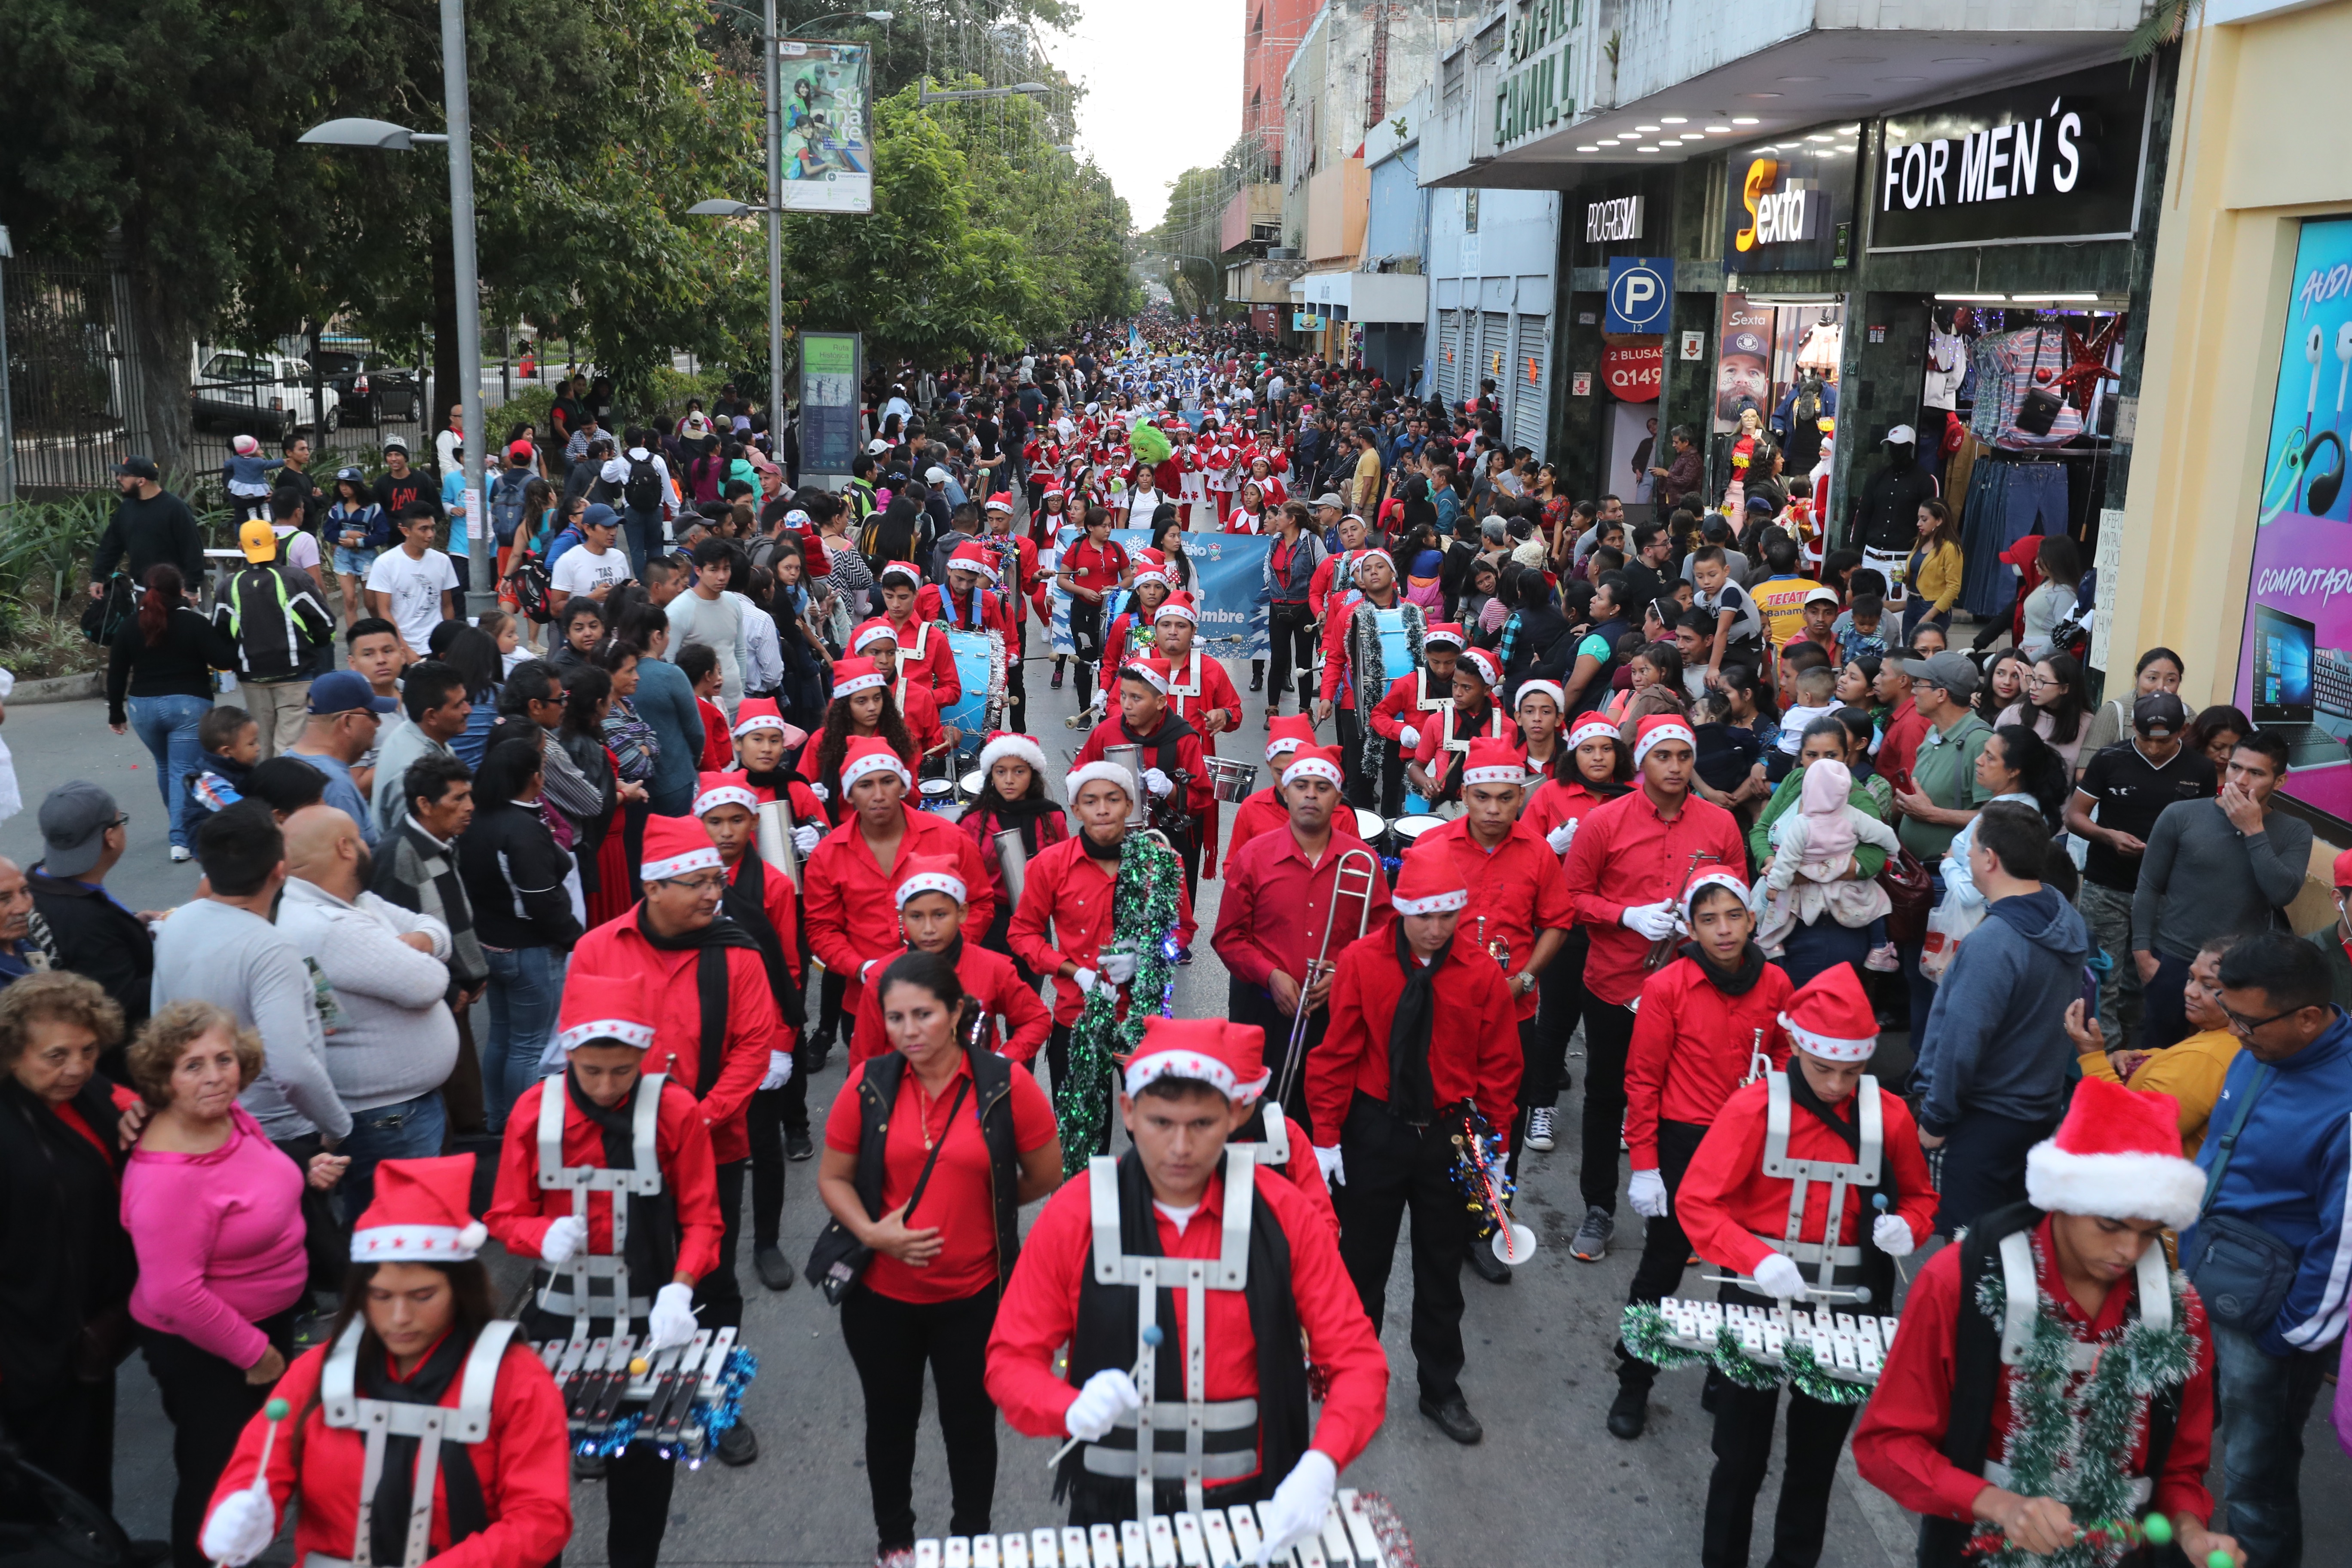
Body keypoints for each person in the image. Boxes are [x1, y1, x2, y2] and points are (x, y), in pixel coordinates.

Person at [983, 1015, 1387, 1543]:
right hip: (1110, 1507)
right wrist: (1068, 1406)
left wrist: (1322, 1464)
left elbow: (1358, 1361)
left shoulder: (1286, 1214)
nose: (1180, 1148)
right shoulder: (1076, 1213)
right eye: (1161, 1122)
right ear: (1128, 1111)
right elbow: (1010, 1360)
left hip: (1251, 1503)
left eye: (1201, 1124)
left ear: (1235, 1114)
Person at [1852, 1077, 2237, 1568]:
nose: (2128, 1251)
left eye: (2150, 1233)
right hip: (1981, 1552)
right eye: (2110, 1224)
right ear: (2061, 1198)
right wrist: (2002, 1507)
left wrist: (2191, 1532)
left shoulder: (2180, 1310)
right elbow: (1888, 1445)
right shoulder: (1958, 1282)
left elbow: (2180, 1468)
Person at [1657, 966, 1937, 1567]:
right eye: (1822, 1068)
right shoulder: (1753, 1108)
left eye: (1851, 1072)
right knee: (1739, 1456)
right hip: (1757, 1298)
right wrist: (1756, 1258)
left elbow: (1920, 1198)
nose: (1837, 1085)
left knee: (1815, 1464)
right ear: (1799, 1050)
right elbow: (1697, 1202)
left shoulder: (1890, 1116)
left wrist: (1906, 1228)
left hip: (1849, 1309)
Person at [193, 1156, 573, 1568]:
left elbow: (541, 1517)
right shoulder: (316, 1370)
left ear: (462, 1290)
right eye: (381, 1296)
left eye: (423, 1296)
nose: (399, 1318)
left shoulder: (517, 1378)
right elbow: (260, 1462)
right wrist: (238, 1510)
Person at [819, 950, 1064, 1558]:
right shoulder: (868, 1083)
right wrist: (873, 1233)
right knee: (890, 1422)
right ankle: (895, 1541)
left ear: (956, 1012)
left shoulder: (1005, 1084)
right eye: (895, 1018)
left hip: (974, 1299)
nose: (909, 1031)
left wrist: (986, 1198)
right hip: (881, 1300)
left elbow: (1045, 1172)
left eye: (923, 1015)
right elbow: (834, 1178)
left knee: (970, 1427)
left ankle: (970, 1543)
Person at [564, 812, 787, 1467]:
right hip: (612, 1152)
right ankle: (607, 1412)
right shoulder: (598, 949)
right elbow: (579, 1048)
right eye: (698, 884)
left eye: (717, 881)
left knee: (711, 1279)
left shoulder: (737, 952)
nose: (714, 894)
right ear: (654, 887)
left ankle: (710, 1401)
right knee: (614, 1283)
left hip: (712, 1149)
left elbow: (752, 1049)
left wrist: (694, 1124)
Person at [484, 975, 722, 1568]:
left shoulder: (675, 1109)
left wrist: (681, 1288)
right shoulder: (534, 1111)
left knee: (644, 1476)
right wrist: (540, 1235)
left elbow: (703, 1217)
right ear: (569, 1052)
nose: (607, 1086)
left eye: (623, 1071)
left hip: (648, 1319)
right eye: (592, 1071)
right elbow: (504, 1215)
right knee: (532, 1482)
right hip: (557, 1321)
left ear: (644, 1055)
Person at [1305, 851, 1517, 1444]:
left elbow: (1501, 1066)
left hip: (1448, 1134)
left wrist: (1496, 1149)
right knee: (1361, 1265)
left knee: (1441, 1269)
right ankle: (1352, 1378)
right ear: (1401, 911)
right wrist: (1326, 1136)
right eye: (1424, 916)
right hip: (1375, 1129)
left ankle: (1440, 1388)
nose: (1437, 928)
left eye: (1448, 915)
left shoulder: (1481, 974)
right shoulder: (1361, 961)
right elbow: (1336, 1054)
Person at [124, 1000, 345, 1568]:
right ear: (163, 1079)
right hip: (210, 1346)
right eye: (192, 1065)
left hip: (266, 1323)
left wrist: (301, 1172)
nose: (215, 1076)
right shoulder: (166, 1178)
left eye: (224, 1059)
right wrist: (256, 1355)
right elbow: (174, 1293)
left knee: (253, 1463)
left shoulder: (230, 1116)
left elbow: (249, 1173)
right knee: (216, 1477)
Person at [2178, 933, 2352, 1565]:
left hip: (2271, 1326)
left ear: (2308, 1017)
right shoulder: (2258, 1048)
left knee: (2257, 1479)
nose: (2235, 1032)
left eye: (2248, 1022)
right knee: (2176, 1440)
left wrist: (2289, 1338)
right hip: (2202, 1286)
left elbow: (2344, 1246)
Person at [1605, 871, 1796, 1439]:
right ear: (1690, 929)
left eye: (1734, 916)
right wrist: (1645, 1164)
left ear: (1753, 920)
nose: (1724, 930)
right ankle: (1634, 1378)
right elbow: (1643, 1080)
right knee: (1662, 1267)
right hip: (1685, 1144)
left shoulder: (1778, 983)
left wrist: (1773, 1089)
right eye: (1709, 920)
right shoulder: (1668, 986)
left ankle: (1726, 1371)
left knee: (1745, 1271)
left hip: (1753, 1146)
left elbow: (1787, 1052)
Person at [1560, 714, 1748, 1261]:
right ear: (1641, 761)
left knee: (1682, 1103)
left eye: (1684, 757)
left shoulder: (1719, 824)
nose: (1675, 767)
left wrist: (1703, 921)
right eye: (1663, 756)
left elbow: (1738, 894)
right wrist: (1627, 916)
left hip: (1692, 986)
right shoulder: (1604, 821)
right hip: (1616, 982)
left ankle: (1673, 1212)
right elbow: (1571, 897)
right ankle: (1599, 1207)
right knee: (1606, 1096)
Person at [1913, 802, 2090, 1234]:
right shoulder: (2064, 916)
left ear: (1990, 859)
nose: (1967, 855)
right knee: (2012, 1251)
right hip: (2036, 1113)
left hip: (1983, 1121)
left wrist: (1935, 1118)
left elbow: (1962, 1039)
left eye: (1972, 847)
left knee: (1970, 1255)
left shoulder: (1994, 942)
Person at [1008, 760, 1199, 1157]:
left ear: (1129, 806)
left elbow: (1183, 931)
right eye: (1091, 801)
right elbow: (1022, 934)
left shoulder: (1162, 862)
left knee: (1157, 1142)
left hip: (1145, 1019)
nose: (1103, 810)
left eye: (1113, 799)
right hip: (1076, 1016)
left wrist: (1147, 956)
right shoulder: (1049, 865)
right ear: (1076, 810)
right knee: (1082, 1144)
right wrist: (1072, 971)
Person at [275, 804, 455, 1218]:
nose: (369, 844)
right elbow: (430, 984)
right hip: (390, 1118)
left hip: (395, 1109)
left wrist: (421, 943)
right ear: (345, 847)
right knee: (401, 1229)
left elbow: (436, 928)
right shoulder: (331, 927)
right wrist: (422, 949)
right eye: (360, 838)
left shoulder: (354, 902)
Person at [0, 972, 136, 1511]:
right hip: (25, 1340)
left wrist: (141, 1114)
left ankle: (99, 1539)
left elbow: (131, 1103)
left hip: (88, 1327)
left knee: (87, 1452)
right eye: (55, 1056)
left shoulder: (88, 1093)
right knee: (41, 1474)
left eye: (88, 1050)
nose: (77, 1067)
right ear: (12, 1054)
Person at [1210, 746, 1393, 1133]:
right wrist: (1270, 975)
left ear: (1338, 798)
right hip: (1262, 1010)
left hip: (1335, 1013)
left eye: (1323, 787)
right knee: (1257, 1124)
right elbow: (1228, 937)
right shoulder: (1254, 857)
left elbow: (1384, 937)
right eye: (1302, 786)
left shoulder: (1362, 861)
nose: (1311, 795)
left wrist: (1344, 972)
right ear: (1286, 791)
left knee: (1325, 1121)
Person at [2131, 731, 2311, 1052]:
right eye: (2235, 768)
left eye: (2256, 773)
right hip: (2175, 961)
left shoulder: (2295, 831)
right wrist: (2143, 955)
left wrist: (2253, 830)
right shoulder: (2181, 815)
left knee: (2225, 1060)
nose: (2240, 780)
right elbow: (2148, 885)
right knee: (2158, 1055)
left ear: (2279, 782)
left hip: (2241, 972)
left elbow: (2281, 894)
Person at [805, 735, 994, 1026]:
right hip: (867, 1003)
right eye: (865, 785)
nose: (879, 794)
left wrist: (949, 952)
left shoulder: (950, 838)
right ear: (849, 794)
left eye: (888, 781)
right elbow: (822, 929)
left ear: (904, 786)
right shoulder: (828, 854)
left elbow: (980, 904)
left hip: (946, 995)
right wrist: (860, 968)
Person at [2065, 692, 2216, 1041]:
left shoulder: (2201, 769)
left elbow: (2206, 828)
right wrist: (2108, 836)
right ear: (2134, 727)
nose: (2153, 748)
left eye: (2164, 741)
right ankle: (2101, 1055)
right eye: (2146, 738)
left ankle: (2129, 1047)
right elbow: (2075, 817)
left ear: (2183, 731)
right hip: (2107, 886)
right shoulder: (2109, 759)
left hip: (2166, 894)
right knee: (2102, 975)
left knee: (2144, 981)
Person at [454, 738, 582, 1131]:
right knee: (529, 1047)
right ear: (534, 779)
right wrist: (574, 937)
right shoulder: (524, 828)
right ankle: (524, 1131)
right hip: (529, 950)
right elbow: (541, 899)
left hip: (489, 943)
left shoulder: (477, 819)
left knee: (502, 1038)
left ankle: (499, 1121)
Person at [845, 855, 1050, 1069]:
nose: (928, 929)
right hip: (906, 1088)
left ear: (962, 913)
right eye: (916, 917)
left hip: (978, 1087)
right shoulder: (881, 977)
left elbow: (1036, 1019)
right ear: (903, 917)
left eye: (940, 915)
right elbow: (863, 1059)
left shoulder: (992, 968)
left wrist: (1001, 1061)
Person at [1892, 650, 1995, 1050]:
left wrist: (1931, 814)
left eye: (1920, 684)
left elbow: (1994, 815)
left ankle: (1934, 1067)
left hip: (1948, 883)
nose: (1913, 691)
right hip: (1919, 876)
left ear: (1942, 694)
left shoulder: (1979, 741)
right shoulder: (1933, 736)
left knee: (1939, 979)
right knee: (1917, 974)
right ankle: (1922, 1063)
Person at [2062, 933, 2244, 1156]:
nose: (2189, 991)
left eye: (2208, 986)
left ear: (2245, 994)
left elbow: (2132, 1137)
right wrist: (2142, 1060)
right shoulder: (2227, 1038)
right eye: (2191, 978)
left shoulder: (2205, 1058)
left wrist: (2092, 1057)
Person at [106, 564, 233, 860]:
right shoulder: (194, 623)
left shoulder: (131, 625)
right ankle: (182, 838)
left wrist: (116, 713)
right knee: (182, 769)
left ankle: (177, 823)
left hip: (142, 706)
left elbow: (117, 673)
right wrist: (228, 633)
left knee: (166, 766)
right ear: (180, 591)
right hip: (188, 704)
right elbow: (224, 660)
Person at [29, 780, 163, 1040]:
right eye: (121, 821)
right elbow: (121, 1001)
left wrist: (131, 927)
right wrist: (175, 962)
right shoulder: (86, 920)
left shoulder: (36, 883)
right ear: (110, 837)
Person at [1072, 657, 1214, 897]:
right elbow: (1077, 777)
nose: (1126, 705)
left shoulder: (1184, 739)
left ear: (1160, 702)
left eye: (1136, 698)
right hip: (1111, 843)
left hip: (1166, 845)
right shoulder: (1107, 732)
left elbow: (1202, 799)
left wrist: (1171, 790)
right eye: (1123, 695)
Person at [285, 670, 395, 848]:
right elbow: (352, 862)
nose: (378, 723)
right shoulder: (336, 787)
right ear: (347, 722)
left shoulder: (285, 762)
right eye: (373, 715)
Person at [91, 455, 205, 598]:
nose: (119, 479)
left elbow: (192, 549)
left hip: (172, 591)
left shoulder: (176, 509)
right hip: (140, 590)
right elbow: (111, 545)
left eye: (124, 475)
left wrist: (192, 588)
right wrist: (98, 577)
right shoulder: (127, 508)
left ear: (141, 481)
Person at [364, 503, 459, 664]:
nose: (430, 535)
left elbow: (447, 605)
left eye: (433, 528)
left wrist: (448, 644)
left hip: (436, 648)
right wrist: (405, 650)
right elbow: (383, 611)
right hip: (403, 648)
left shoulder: (443, 561)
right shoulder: (385, 563)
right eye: (423, 529)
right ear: (406, 531)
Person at [1263, 501, 1327, 718]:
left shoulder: (1312, 542)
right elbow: (1267, 566)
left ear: (1292, 520)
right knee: (1278, 660)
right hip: (1278, 607)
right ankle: (1272, 710)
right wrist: (1272, 586)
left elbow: (1325, 572)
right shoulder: (1275, 541)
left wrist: (1322, 605)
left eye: (1280, 514)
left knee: (1304, 662)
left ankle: (1305, 711)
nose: (1276, 518)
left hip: (1304, 609)